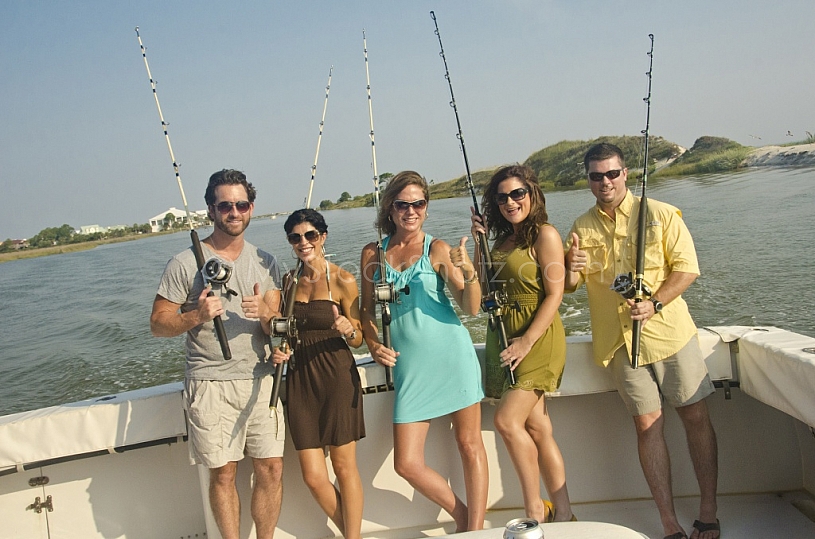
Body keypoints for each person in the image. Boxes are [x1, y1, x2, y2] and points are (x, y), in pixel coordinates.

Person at [564, 143, 719, 539]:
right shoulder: (580, 228)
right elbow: (570, 287)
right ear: (588, 180)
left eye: (612, 173)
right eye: (596, 176)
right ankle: (668, 523)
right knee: (647, 425)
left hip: (670, 336)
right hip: (620, 345)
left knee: (695, 418)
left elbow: (687, 269)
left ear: (626, 173)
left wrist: (654, 303)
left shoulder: (663, 214)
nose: (605, 182)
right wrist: (571, 268)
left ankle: (708, 509)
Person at [150, 169, 284, 539]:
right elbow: (158, 324)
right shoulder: (184, 263)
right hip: (210, 383)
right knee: (223, 473)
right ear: (211, 210)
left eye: (241, 204)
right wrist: (196, 315)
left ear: (251, 207)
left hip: (260, 381)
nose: (234, 212)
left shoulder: (267, 262)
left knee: (271, 468)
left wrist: (268, 316)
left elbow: (279, 327)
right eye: (225, 205)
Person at [359, 170, 489, 532]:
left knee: (469, 444)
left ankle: (475, 531)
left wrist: (470, 272)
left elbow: (471, 306)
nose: (411, 211)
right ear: (390, 208)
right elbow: (365, 309)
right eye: (403, 204)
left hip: (452, 358)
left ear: (427, 208)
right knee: (407, 463)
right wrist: (372, 342)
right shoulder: (373, 252)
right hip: (410, 369)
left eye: (418, 203)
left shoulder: (438, 249)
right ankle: (463, 516)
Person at [471, 164, 575, 523]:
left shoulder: (544, 235)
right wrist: (478, 241)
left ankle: (535, 508)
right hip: (503, 333)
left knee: (505, 421)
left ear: (532, 194)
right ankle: (565, 512)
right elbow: (484, 289)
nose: (510, 202)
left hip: (538, 336)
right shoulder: (500, 242)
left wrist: (526, 342)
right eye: (502, 197)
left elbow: (556, 294)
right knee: (538, 427)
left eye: (517, 194)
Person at [272, 209, 365, 539]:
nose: (303, 242)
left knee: (343, 467)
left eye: (310, 235)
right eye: (295, 237)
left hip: (337, 375)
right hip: (300, 379)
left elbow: (359, 339)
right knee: (313, 475)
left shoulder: (343, 279)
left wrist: (346, 329)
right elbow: (284, 331)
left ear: (323, 237)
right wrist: (279, 348)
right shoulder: (288, 281)